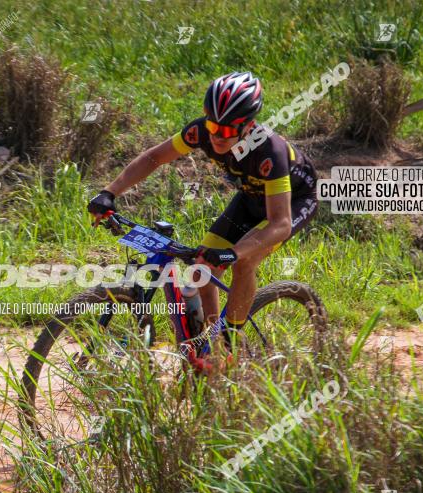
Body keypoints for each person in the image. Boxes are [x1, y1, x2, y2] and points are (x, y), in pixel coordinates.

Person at [87, 71, 318, 351]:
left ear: (249, 125)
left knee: (243, 263)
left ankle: (231, 344)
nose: (218, 136)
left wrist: (233, 253)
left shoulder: (269, 150)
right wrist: (110, 192)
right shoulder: (202, 132)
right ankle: (213, 347)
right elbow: (154, 157)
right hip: (251, 197)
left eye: (228, 129)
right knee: (202, 270)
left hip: (293, 202)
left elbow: (280, 223)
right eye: (213, 124)